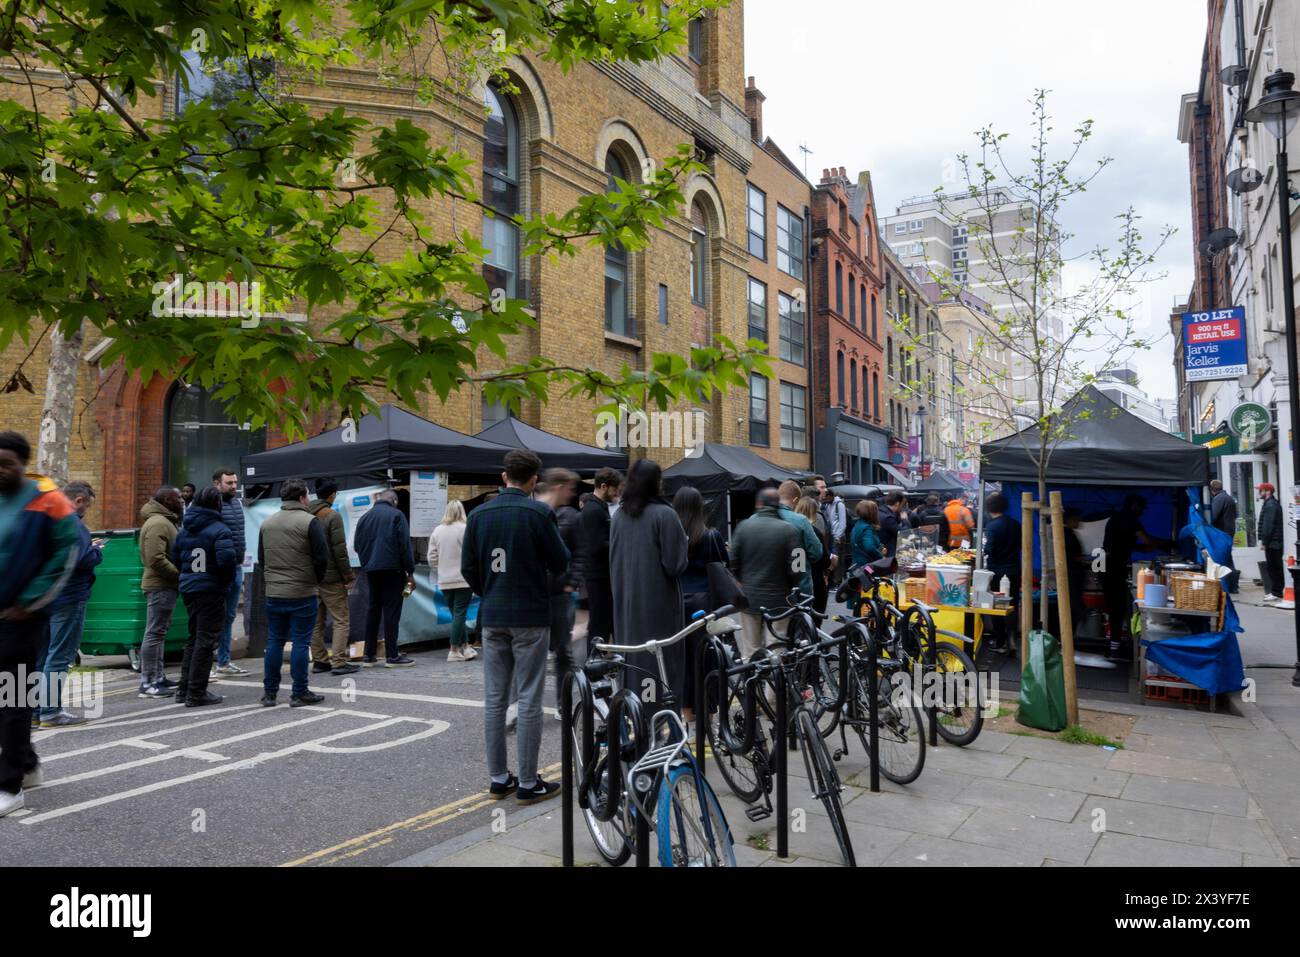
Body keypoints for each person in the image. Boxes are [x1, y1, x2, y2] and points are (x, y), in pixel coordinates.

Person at [462, 450, 569, 804]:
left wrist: (488, 590)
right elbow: (560, 560)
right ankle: (527, 782)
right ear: (533, 479)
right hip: (530, 615)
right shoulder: (539, 513)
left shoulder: (478, 514)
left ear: (504, 475)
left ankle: (497, 778)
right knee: (529, 698)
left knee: (494, 699)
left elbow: (468, 568)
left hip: (492, 614)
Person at [0, 431, 80, 817]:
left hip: (22, 618)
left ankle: (9, 785)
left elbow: (67, 553)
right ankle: (27, 763)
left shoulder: (48, 501)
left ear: (22, 464)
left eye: (7, 464)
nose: (0, 471)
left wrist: (31, 601)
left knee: (12, 699)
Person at [610, 459, 689, 710]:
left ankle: (635, 717)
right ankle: (659, 720)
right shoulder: (665, 514)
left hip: (625, 602)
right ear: (656, 483)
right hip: (658, 603)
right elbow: (675, 564)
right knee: (660, 662)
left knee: (632, 658)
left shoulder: (619, 516)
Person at [34, 481, 103, 728]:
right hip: (70, 596)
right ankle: (51, 712)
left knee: (42, 655)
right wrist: (97, 551)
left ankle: (35, 710)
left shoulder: (44, 520)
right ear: (79, 500)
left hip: (45, 597)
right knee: (60, 656)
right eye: (88, 505)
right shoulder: (72, 522)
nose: (87, 511)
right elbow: (82, 559)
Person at [258, 478, 329, 707]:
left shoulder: (267, 523)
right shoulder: (310, 522)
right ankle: (299, 692)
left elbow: (262, 558)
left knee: (275, 641)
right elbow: (321, 558)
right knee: (300, 643)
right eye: (307, 495)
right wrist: (314, 581)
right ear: (302, 497)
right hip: (302, 590)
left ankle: (269, 693)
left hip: (274, 591)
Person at [171, 486, 236, 707]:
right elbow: (227, 562)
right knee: (206, 641)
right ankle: (196, 692)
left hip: (189, 587)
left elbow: (175, 557)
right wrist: (224, 582)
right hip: (211, 589)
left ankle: (184, 688)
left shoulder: (185, 529)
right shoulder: (220, 529)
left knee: (194, 638)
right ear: (216, 504)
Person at [673, 485, 729, 718]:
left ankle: (688, 717)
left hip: (675, 603)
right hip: (705, 604)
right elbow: (722, 566)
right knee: (708, 658)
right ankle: (709, 714)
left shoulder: (671, 537)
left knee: (682, 661)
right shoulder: (711, 535)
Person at [729, 487, 803, 659]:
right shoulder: (790, 530)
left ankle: (751, 684)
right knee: (777, 648)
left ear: (759, 504)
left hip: (749, 598)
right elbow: (799, 567)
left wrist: (741, 580)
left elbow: (733, 561)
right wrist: (791, 585)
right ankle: (773, 686)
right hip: (780, 599)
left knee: (750, 649)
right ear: (777, 505)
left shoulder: (743, 527)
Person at [353, 489, 416, 667]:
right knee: (391, 611)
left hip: (371, 570)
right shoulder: (396, 515)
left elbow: (357, 545)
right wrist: (409, 572)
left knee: (373, 610)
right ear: (394, 501)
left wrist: (367, 563)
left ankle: (369, 655)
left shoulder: (364, 517)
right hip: (392, 570)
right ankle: (392, 655)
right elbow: (404, 545)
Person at [1101, 494, 1166, 657]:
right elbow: (1146, 540)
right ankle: (1114, 647)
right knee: (1117, 607)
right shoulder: (1129, 519)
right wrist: (1167, 544)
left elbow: (1129, 544)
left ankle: (1116, 644)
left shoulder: (1118, 519)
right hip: (1112, 568)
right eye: (1141, 508)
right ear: (1134, 506)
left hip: (1107, 566)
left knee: (1115, 607)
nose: (1143, 512)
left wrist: (1150, 547)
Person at [308, 479, 359, 676]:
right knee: (340, 619)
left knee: (316, 622)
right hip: (331, 578)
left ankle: (320, 660)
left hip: (312, 577)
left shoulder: (306, 513)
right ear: (332, 495)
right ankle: (339, 661)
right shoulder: (332, 516)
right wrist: (347, 574)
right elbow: (339, 550)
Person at [539, 468, 580, 707]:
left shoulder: (571, 517)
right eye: (570, 489)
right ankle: (523, 703)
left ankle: (563, 703)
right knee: (531, 649)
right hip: (536, 593)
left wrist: (571, 582)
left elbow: (580, 553)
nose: (572, 493)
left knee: (563, 651)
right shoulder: (538, 511)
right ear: (558, 486)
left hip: (559, 594)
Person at [138, 486, 183, 698]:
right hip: (160, 585)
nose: (182, 501)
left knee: (159, 632)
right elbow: (155, 558)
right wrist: (178, 574)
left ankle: (158, 676)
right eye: (179, 498)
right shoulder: (158, 523)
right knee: (154, 632)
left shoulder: (165, 521)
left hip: (165, 585)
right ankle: (148, 682)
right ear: (167, 499)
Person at [575, 467, 622, 644]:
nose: (617, 493)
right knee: (599, 624)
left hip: (599, 576)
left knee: (602, 622)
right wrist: (620, 544)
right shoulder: (594, 510)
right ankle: (593, 665)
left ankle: (597, 662)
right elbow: (595, 545)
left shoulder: (596, 508)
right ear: (604, 486)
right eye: (615, 489)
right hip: (599, 576)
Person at [212, 469, 250, 677]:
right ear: (217, 484)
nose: (234, 486)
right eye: (229, 483)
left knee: (229, 616)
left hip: (237, 566)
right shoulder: (212, 504)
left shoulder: (236, 503)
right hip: (220, 569)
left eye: (235, 482)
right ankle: (212, 662)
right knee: (216, 616)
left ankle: (224, 662)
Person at [429, 500, 476, 662]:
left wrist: (441, 568)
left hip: (444, 580)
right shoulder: (466, 529)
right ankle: (453, 650)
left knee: (457, 615)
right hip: (463, 579)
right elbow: (473, 554)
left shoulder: (437, 531)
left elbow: (431, 558)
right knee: (460, 614)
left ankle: (466, 648)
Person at [982, 493, 1021, 655]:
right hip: (1014, 569)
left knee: (997, 606)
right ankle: (1012, 638)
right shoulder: (1015, 524)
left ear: (988, 508)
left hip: (997, 572)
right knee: (1012, 605)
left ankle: (1000, 641)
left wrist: (985, 550)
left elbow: (989, 549)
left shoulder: (992, 526)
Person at [776, 480, 823, 599]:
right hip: (798, 588)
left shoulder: (757, 518)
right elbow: (816, 553)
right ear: (796, 500)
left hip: (767, 589)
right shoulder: (800, 520)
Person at [796, 495, 833, 614]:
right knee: (814, 619)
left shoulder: (788, 528)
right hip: (814, 580)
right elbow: (823, 559)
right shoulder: (814, 532)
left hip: (793, 580)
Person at [1209, 479, 1238, 591]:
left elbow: (1213, 516)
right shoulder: (1229, 498)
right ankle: (1233, 585)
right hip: (1229, 532)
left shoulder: (1219, 499)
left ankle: (1230, 586)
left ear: (1212, 490)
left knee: (1224, 559)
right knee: (1228, 558)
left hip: (1221, 533)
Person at [1257, 483, 1285, 602]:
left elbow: (1268, 526)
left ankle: (1276, 592)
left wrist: (1264, 541)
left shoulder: (1270, 505)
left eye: (1261, 490)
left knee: (1274, 567)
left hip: (1273, 542)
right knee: (1274, 567)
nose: (1259, 493)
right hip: (1273, 541)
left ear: (1267, 491)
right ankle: (1275, 591)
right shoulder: (1271, 504)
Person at [850, 500, 884, 567]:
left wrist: (879, 548)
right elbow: (869, 547)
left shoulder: (857, 525)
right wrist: (881, 557)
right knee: (870, 576)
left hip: (857, 566)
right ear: (872, 513)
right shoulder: (867, 528)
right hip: (867, 567)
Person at [878, 490, 911, 556]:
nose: (902, 508)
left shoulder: (882, 511)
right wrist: (905, 520)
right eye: (902, 505)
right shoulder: (888, 518)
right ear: (897, 504)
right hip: (888, 552)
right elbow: (904, 532)